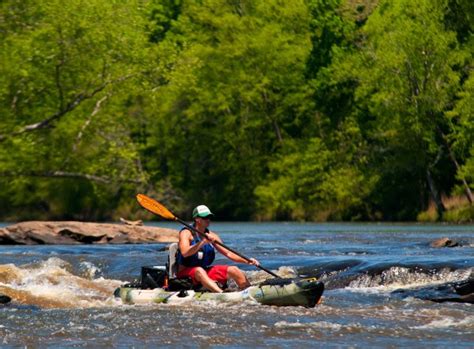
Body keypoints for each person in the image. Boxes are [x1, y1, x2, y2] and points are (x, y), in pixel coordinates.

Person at [176, 205, 259, 293]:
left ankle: (249, 292)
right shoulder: (186, 233)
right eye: (205, 217)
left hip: (204, 271)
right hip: (185, 274)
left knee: (234, 269)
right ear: (197, 219)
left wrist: (247, 260)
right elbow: (185, 252)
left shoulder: (212, 236)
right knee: (199, 270)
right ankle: (221, 293)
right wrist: (203, 242)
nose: (208, 219)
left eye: (209, 217)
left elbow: (228, 253)